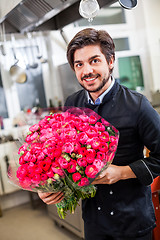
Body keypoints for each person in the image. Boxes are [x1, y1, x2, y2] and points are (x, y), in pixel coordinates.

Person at [38, 28, 160, 240]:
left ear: (110, 61)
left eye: (94, 60)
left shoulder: (138, 106)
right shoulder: (72, 104)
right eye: (79, 64)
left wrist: (122, 172)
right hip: (95, 222)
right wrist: (50, 186)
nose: (87, 70)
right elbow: (66, 158)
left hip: (133, 222)